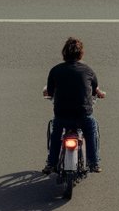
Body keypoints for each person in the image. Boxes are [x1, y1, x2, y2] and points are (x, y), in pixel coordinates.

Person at [43, 37, 106, 174]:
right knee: (92, 128)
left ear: (64, 53)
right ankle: (94, 162)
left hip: (62, 115)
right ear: (81, 54)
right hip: (83, 115)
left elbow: (50, 91)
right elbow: (95, 89)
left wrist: (46, 92)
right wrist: (100, 93)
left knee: (55, 133)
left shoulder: (55, 70)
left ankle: (51, 163)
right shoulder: (88, 71)